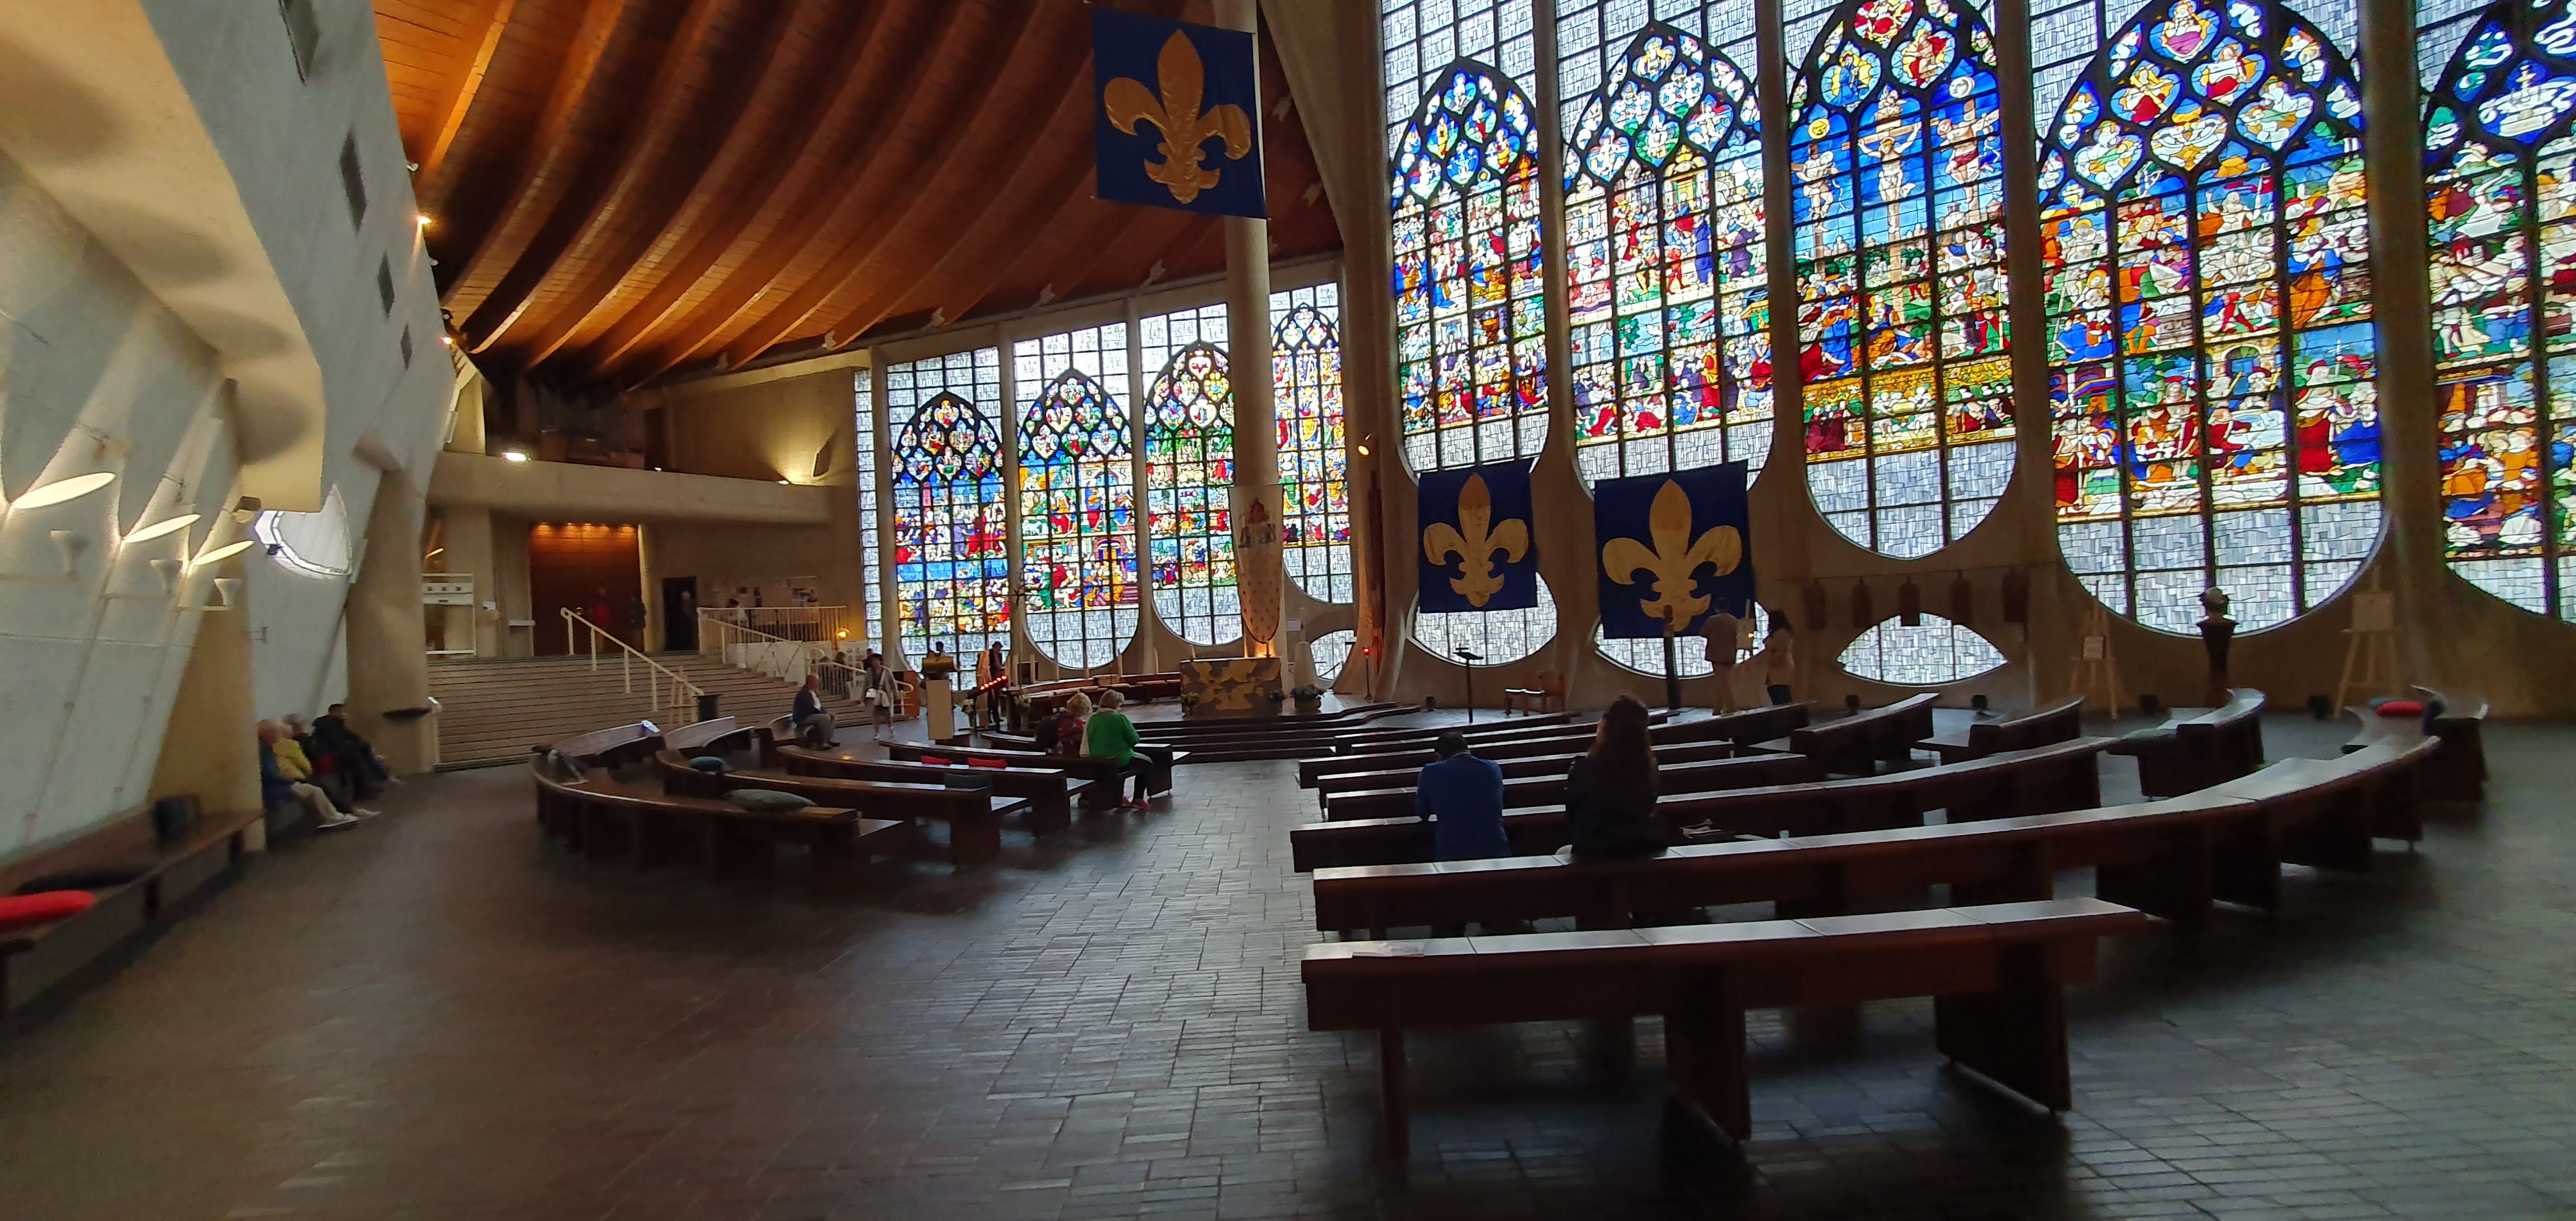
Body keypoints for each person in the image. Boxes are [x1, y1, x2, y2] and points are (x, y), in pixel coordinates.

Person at [1564, 696, 1669, 860]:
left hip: (1594, 851)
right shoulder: (1649, 769)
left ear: (1605, 727)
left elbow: (1572, 814)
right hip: (1643, 848)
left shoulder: (1583, 769)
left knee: (1563, 854)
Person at [1414, 731, 1508, 862]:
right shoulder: (1493, 768)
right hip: (1495, 846)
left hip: (1453, 848)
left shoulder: (1431, 771)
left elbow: (1422, 811)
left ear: (1438, 756)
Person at [261, 721, 366, 830]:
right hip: (277, 787)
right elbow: (272, 774)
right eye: (277, 733)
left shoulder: (265, 748)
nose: (279, 737)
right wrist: (290, 781)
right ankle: (334, 816)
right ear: (269, 733)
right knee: (316, 789)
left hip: (279, 784)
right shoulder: (268, 751)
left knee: (314, 788)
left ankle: (332, 815)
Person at [1083, 689, 1150, 808]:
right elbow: (1134, 739)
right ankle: (1138, 799)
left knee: (1122, 765)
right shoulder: (1120, 718)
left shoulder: (1092, 718)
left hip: (1097, 759)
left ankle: (1120, 797)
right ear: (1117, 704)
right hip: (1119, 759)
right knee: (1147, 763)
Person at [311, 703, 392, 796]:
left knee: (362, 751)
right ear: (335, 712)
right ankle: (371, 784)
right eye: (343, 711)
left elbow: (353, 737)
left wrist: (362, 744)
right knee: (356, 756)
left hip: (336, 754)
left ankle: (377, 780)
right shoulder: (328, 726)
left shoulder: (336, 725)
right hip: (329, 757)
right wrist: (362, 745)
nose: (345, 714)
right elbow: (339, 744)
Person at [1701, 604, 1744, 715]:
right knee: (1724, 682)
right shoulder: (1734, 620)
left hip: (1717, 654)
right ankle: (1718, 708)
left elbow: (1703, 633)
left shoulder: (1713, 620)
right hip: (1730, 654)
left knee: (1722, 683)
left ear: (1716, 609)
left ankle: (1732, 706)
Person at [1759, 617, 1798, 706]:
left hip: (1780, 665)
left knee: (1781, 694)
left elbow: (1772, 645)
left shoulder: (1781, 633)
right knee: (1780, 692)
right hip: (1782, 665)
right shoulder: (1786, 633)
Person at [792, 673, 836, 749]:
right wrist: (824, 714)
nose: (818, 683)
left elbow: (818, 706)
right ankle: (822, 742)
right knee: (825, 719)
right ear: (811, 682)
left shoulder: (812, 692)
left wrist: (826, 712)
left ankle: (829, 739)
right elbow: (810, 708)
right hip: (804, 717)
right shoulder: (804, 694)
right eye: (817, 681)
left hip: (811, 714)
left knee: (832, 717)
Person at [860, 651, 897, 738]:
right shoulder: (869, 671)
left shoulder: (887, 671)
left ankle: (890, 728)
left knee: (887, 713)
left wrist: (896, 693)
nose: (874, 662)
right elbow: (865, 684)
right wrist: (863, 696)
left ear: (880, 661)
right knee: (875, 714)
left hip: (885, 695)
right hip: (873, 694)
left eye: (876, 660)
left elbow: (893, 683)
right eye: (873, 661)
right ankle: (877, 732)